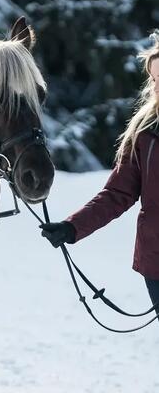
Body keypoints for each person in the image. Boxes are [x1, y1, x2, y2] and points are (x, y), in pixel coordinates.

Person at [40, 31, 159, 315]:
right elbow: (117, 193)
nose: (157, 88)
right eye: (155, 80)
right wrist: (72, 227)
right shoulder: (145, 132)